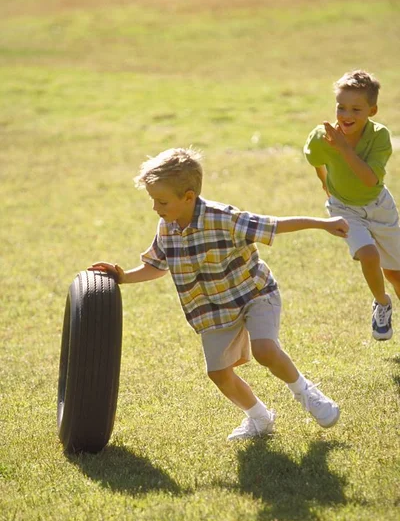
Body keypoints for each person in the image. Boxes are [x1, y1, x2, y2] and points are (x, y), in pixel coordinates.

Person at [89, 147, 348, 441]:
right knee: (219, 374)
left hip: (254, 293)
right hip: (213, 309)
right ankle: (259, 418)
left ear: (188, 197)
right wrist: (122, 277)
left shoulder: (224, 218)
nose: (155, 208)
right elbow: (156, 266)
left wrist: (323, 223)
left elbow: (274, 224)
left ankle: (306, 392)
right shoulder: (167, 227)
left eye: (161, 201)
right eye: (153, 200)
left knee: (264, 349)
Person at [304, 70, 400, 341]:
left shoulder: (380, 137)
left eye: (356, 109)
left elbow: (370, 180)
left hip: (379, 206)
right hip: (345, 209)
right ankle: (382, 304)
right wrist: (325, 185)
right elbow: (317, 162)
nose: (346, 115)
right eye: (341, 107)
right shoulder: (322, 137)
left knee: (396, 274)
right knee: (368, 255)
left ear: (372, 110)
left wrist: (345, 148)